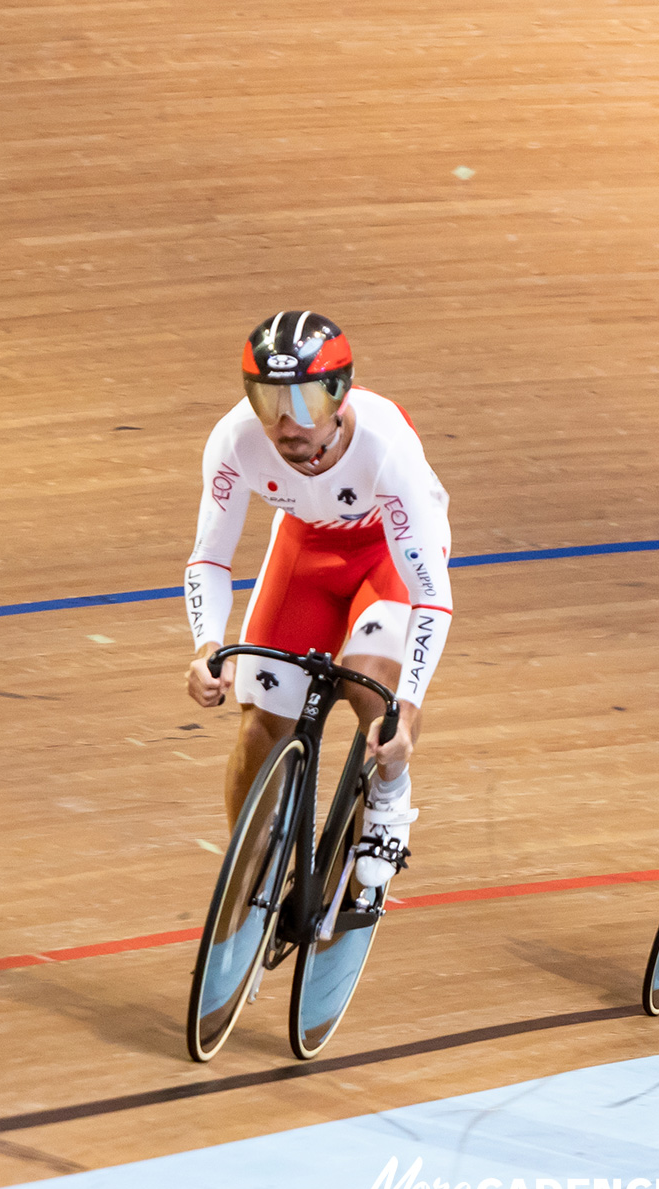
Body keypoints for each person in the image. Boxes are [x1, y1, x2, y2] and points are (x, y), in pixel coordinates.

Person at [182, 311, 454, 895]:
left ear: (339, 395)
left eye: (304, 401)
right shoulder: (235, 439)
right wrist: (207, 644)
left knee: (368, 686)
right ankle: (244, 889)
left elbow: (430, 596)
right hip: (307, 549)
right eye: (268, 399)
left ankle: (389, 794)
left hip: (390, 553)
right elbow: (209, 557)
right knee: (261, 725)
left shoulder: (387, 445)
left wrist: (406, 710)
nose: (285, 422)